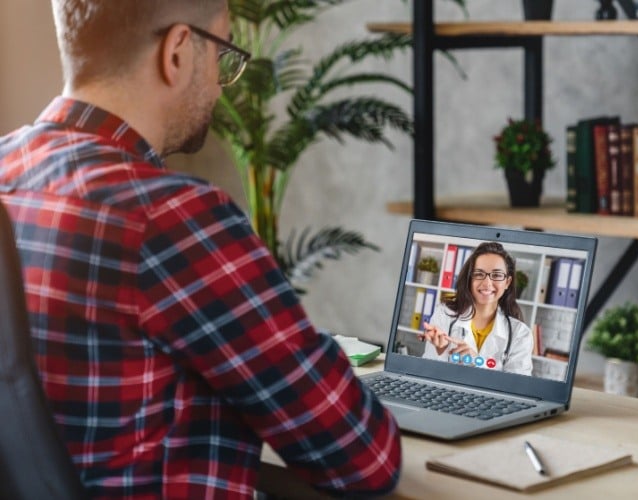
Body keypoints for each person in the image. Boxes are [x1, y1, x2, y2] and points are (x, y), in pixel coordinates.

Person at [0, 1, 400, 498]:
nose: (219, 83)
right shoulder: (172, 218)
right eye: (224, 57)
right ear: (178, 52)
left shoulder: (6, 170)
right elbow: (365, 456)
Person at [419, 242, 534, 375]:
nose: (487, 283)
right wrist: (442, 351)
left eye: (496, 275)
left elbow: (517, 389)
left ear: (507, 282)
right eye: (479, 274)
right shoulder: (444, 314)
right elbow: (427, 373)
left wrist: (478, 362)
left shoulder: (520, 334)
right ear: (469, 279)